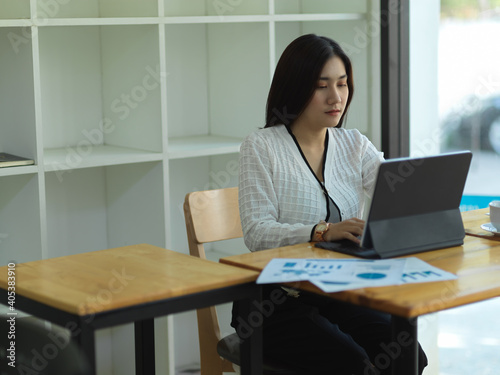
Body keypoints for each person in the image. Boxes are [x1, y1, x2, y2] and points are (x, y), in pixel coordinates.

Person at [233, 34, 428, 374]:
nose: (335, 97)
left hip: (341, 291)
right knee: (353, 364)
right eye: (321, 86)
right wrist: (324, 231)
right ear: (296, 87)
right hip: (274, 302)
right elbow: (256, 232)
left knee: (407, 355)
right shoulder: (261, 146)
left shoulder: (353, 144)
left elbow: (396, 192)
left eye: (342, 84)